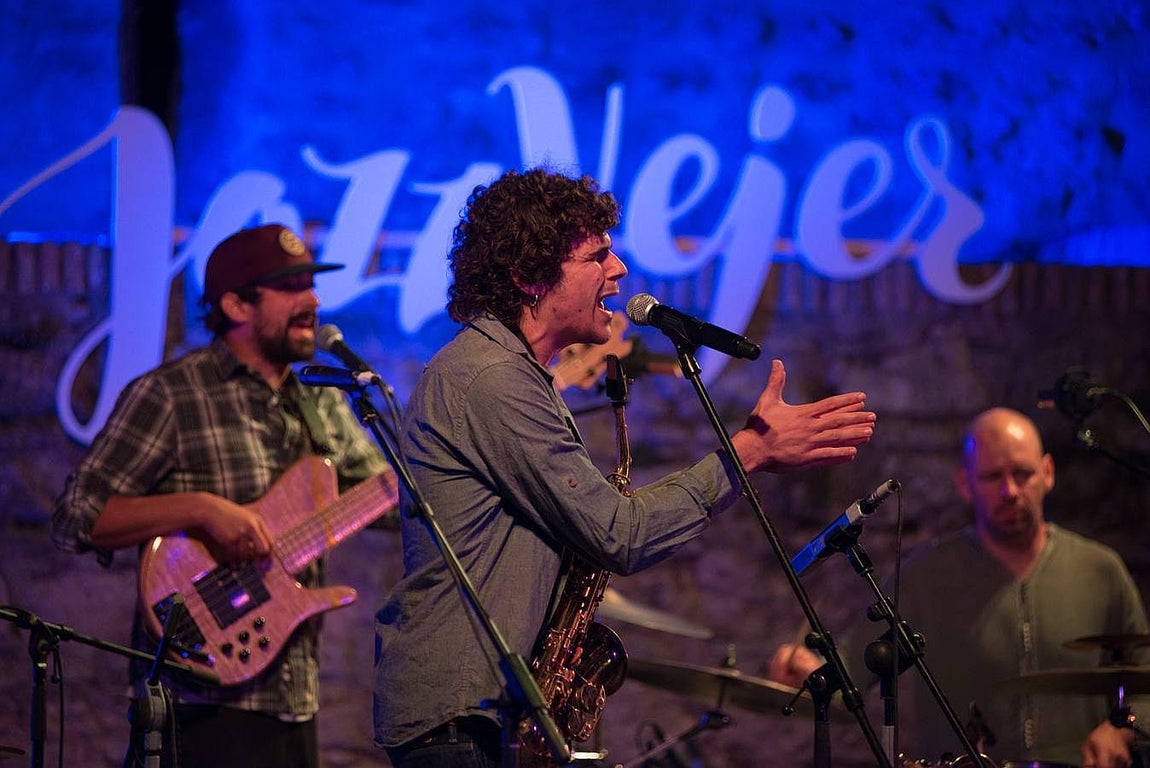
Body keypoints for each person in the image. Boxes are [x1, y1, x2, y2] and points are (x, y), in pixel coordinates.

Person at [371, 167, 878, 768]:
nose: (619, 272)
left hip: (484, 717)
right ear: (529, 276)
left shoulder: (514, 375)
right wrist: (749, 453)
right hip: (461, 726)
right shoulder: (492, 379)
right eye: (597, 256)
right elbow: (619, 531)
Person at [52, 224, 395, 768]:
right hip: (197, 701)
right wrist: (201, 509)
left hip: (292, 695)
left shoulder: (320, 400)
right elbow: (76, 517)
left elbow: (387, 495)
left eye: (311, 283)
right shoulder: (170, 393)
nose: (313, 300)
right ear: (235, 304)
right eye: (291, 287)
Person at [769, 406, 1149, 768]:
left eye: (1023, 473)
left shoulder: (1100, 570)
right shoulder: (923, 575)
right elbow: (852, 671)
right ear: (964, 483)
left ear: (1048, 472)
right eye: (992, 477)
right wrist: (810, 672)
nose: (1010, 491)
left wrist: (1124, 728)